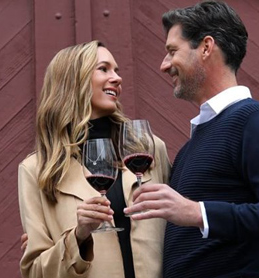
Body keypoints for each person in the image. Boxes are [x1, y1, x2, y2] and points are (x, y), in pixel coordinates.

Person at [124, 1, 259, 277]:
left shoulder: (254, 121)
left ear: (206, 47)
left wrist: (197, 212)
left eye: (172, 51)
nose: (164, 65)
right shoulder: (193, 145)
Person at [18, 40, 172, 278]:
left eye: (117, 71)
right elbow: (35, 272)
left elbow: (179, 232)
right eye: (104, 69)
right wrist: (78, 235)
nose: (117, 78)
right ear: (73, 80)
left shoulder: (149, 149)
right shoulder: (37, 169)